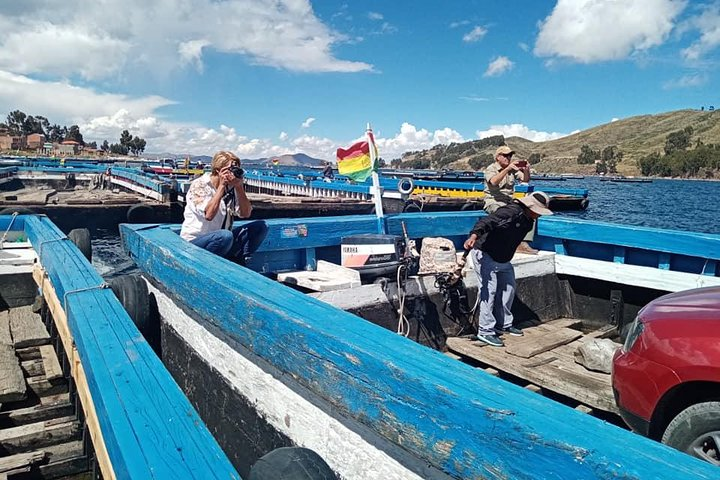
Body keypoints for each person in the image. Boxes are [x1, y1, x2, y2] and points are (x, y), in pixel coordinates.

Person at [463, 191, 553, 347]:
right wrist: (474, 235)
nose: (539, 215)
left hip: (503, 259)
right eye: (538, 211)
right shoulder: (510, 212)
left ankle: (503, 324)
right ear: (529, 206)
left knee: (508, 289)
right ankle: (485, 331)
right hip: (486, 254)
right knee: (488, 292)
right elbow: (487, 221)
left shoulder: (529, 221)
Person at [180, 151, 267, 266]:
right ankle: (209, 267)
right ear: (218, 170)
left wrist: (239, 187)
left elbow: (245, 213)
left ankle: (238, 263)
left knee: (260, 227)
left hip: (222, 242)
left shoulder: (232, 187)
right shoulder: (199, 185)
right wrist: (221, 186)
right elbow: (209, 215)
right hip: (195, 243)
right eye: (230, 169)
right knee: (224, 236)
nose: (233, 173)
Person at [483, 145, 535, 253]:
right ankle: (504, 243)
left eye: (510, 155)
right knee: (505, 212)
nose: (508, 158)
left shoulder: (512, 170)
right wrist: (507, 169)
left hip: (509, 201)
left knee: (531, 210)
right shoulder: (491, 169)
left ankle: (523, 241)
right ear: (498, 157)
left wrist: (526, 170)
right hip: (494, 200)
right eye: (505, 155)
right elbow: (493, 182)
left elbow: (525, 180)